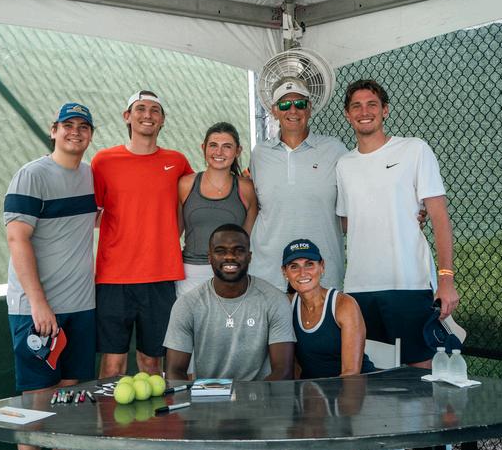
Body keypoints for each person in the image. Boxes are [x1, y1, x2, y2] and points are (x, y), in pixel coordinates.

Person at [336, 79, 460, 369]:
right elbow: (347, 223)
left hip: (409, 283)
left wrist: (446, 280)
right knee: (374, 375)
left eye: (372, 104)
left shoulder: (414, 150)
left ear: (385, 110)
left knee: (422, 374)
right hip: (359, 288)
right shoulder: (344, 164)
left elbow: (440, 217)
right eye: (356, 106)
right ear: (347, 114)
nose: (364, 111)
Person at [4, 102, 98, 450]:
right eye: (67, 125)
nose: (75, 131)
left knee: (70, 393)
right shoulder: (32, 175)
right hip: (36, 310)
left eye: (83, 126)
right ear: (53, 130)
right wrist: (38, 303)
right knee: (37, 397)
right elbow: (17, 239)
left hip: (81, 307)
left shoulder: (91, 176)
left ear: (91, 135)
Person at [165, 223, 296, 450]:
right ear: (209, 257)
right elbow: (174, 371)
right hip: (206, 403)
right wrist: (192, 412)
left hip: (260, 401)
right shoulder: (188, 304)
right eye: (220, 250)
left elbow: (283, 370)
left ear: (249, 256)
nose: (229, 257)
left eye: (238, 250)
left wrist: (245, 401)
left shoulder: (273, 300)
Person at [91, 90, 194, 379]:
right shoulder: (103, 161)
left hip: (160, 278)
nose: (147, 115)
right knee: (113, 365)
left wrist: (165, 234)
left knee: (151, 363)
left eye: (154, 110)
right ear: (127, 116)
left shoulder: (177, 162)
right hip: (113, 279)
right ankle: (110, 413)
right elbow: (93, 216)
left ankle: (156, 413)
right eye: (140, 109)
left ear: (162, 120)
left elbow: (191, 204)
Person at [249, 79, 348, 292]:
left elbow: (353, 205)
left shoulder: (335, 150)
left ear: (309, 108)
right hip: (268, 273)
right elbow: (255, 206)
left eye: (300, 104)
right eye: (285, 104)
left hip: (322, 273)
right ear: (274, 111)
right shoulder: (259, 154)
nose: (292, 110)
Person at [283, 238, 371, 450]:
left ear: (322, 267)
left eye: (309, 264)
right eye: (294, 266)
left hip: (353, 391)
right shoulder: (286, 306)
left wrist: (330, 418)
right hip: (313, 394)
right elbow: (293, 365)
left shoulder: (343, 304)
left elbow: (351, 373)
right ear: (285, 273)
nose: (303, 272)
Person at [177, 122, 258, 296]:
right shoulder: (186, 184)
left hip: (232, 272)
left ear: (238, 151)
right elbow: (174, 233)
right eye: (213, 145)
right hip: (191, 274)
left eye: (227, 146)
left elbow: (247, 239)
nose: (219, 152)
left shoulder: (246, 188)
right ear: (203, 148)